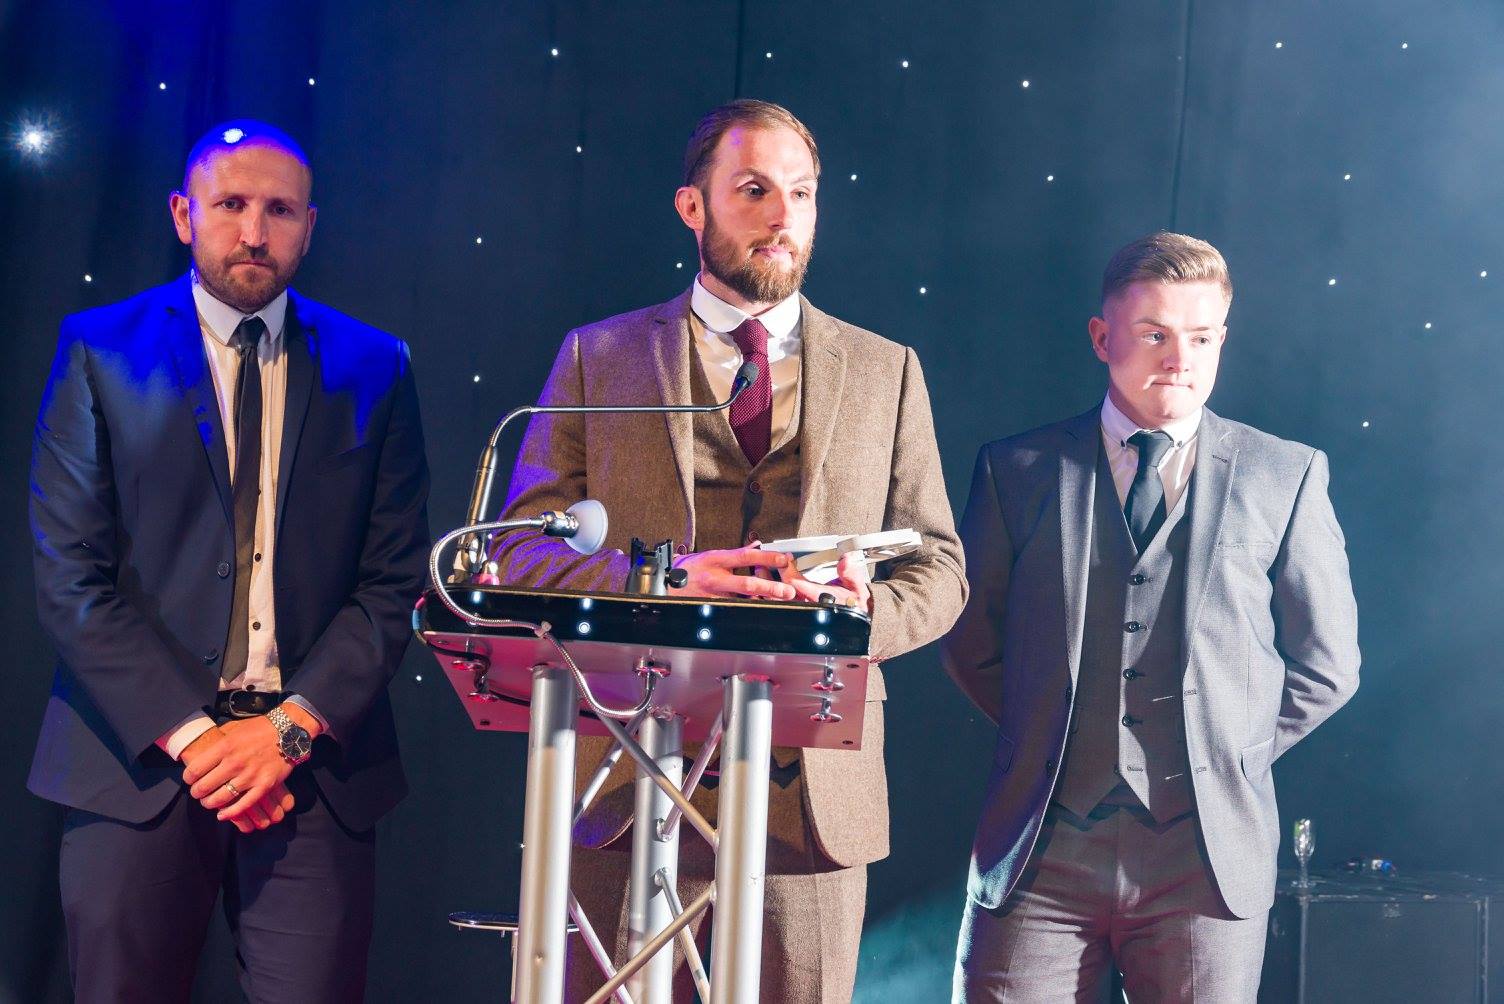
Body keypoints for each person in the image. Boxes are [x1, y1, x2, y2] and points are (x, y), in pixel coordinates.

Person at [490, 98, 966, 1001]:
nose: (783, 216)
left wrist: (860, 613)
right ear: (692, 206)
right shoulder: (599, 357)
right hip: (623, 780)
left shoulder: (886, 369)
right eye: (754, 190)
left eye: (802, 193)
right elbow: (520, 553)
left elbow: (940, 568)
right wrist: (665, 578)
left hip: (811, 796)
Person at [28, 119, 430, 1002]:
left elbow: (393, 581)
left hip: (310, 770)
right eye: (231, 205)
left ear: (309, 226)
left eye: (279, 210)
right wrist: (201, 740)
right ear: (183, 214)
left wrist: (284, 735)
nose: (254, 232)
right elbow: (69, 577)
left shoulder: (376, 366)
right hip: (136, 759)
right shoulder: (99, 349)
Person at [942, 232, 1360, 1002]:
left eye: (1200, 337)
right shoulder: (1019, 469)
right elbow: (969, 641)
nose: (1180, 358)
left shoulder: (1285, 474)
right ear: (1103, 338)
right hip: (1042, 851)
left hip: (1204, 862)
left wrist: (1226, 749)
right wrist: (1049, 733)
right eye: (1155, 334)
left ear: (1222, 340)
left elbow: (1328, 666)